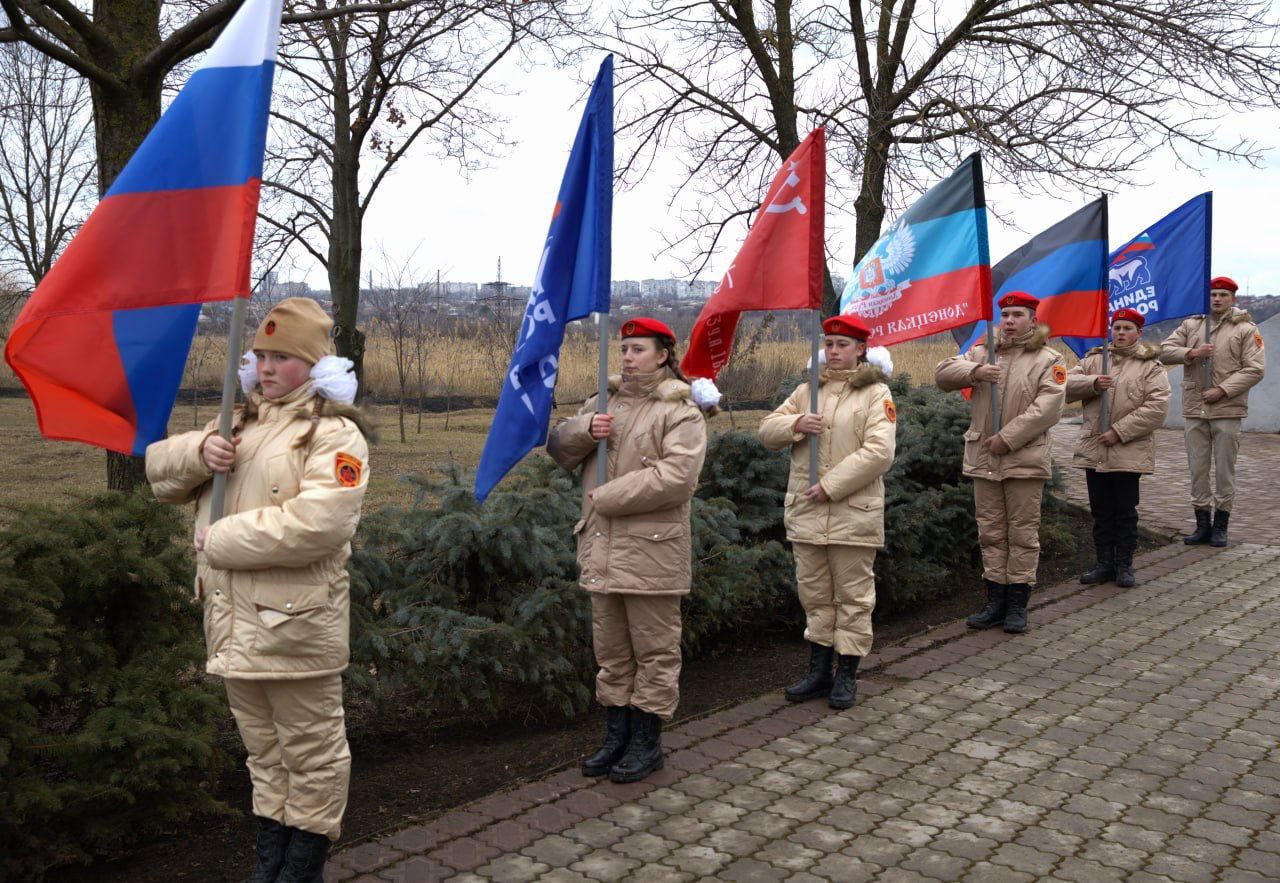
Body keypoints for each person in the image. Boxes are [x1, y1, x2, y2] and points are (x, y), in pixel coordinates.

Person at [146, 298, 373, 883]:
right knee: (265, 755)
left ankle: (303, 867)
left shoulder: (334, 434)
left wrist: (217, 539)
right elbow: (159, 475)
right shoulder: (239, 423)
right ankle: (270, 862)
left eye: (282, 358)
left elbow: (321, 523)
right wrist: (200, 452)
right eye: (261, 356)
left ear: (315, 366)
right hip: (234, 623)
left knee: (312, 754)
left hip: (296, 627)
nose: (266, 368)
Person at [547, 317, 716, 784]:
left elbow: (678, 478)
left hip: (651, 551)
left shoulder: (680, 411)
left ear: (663, 355)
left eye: (638, 349)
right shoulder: (602, 402)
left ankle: (648, 742)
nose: (627, 357)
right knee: (612, 651)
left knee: (655, 652)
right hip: (602, 548)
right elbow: (559, 448)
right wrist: (587, 430)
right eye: (624, 349)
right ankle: (616, 735)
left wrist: (609, 497)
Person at [758, 315, 896, 710]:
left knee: (853, 597)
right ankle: (819, 672)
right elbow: (767, 431)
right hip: (807, 515)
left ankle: (847, 673)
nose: (834, 352)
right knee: (816, 596)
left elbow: (879, 452)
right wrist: (797, 423)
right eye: (829, 344)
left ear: (860, 350)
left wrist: (831, 485)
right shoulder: (807, 391)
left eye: (842, 345)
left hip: (852, 511)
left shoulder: (876, 393)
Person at [936, 292, 1066, 634]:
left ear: (1033, 320)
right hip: (983, 459)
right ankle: (994, 602)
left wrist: (1008, 437)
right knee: (991, 533)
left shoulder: (1048, 359)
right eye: (1005, 314)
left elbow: (1048, 408)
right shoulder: (983, 351)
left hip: (1023, 457)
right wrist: (976, 370)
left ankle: (1017, 605)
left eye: (1017, 315)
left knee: (1022, 534)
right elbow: (944, 374)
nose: (1009, 321)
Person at [1066, 308, 1171, 588]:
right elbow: (1061, 387)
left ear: (1139, 333)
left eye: (1127, 328)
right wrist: (1091, 383)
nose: (1121, 333)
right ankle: (1103, 564)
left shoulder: (1150, 365)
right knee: (1101, 511)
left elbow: (1157, 408)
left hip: (1128, 449)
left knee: (1124, 511)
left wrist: (1120, 431)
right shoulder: (1094, 360)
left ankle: (1124, 565)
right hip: (1095, 447)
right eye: (1117, 328)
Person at [1160, 276, 1265, 547]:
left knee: (1224, 472)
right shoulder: (1192, 324)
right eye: (1213, 294)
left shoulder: (1245, 329)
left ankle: (1221, 525)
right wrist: (1192, 352)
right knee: (1197, 469)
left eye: (1223, 295)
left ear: (1233, 299)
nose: (1217, 299)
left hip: (1227, 409)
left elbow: (1254, 369)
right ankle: (1201, 525)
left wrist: (1223, 390)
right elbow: (1164, 351)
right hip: (1195, 408)